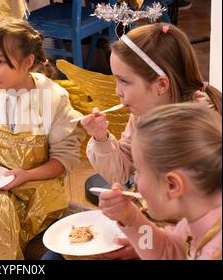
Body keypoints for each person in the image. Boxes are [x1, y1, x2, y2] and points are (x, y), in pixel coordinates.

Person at [0, 17, 85, 259]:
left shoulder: (53, 98)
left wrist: (26, 175)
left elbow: (64, 159)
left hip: (37, 190)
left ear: (28, 61)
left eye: (0, 61)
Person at [82, 23, 221, 186]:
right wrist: (101, 138)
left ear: (161, 85)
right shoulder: (142, 115)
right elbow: (120, 174)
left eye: (124, 81)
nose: (117, 91)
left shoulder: (202, 129)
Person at [100, 103, 221, 260]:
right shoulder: (197, 218)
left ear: (172, 185)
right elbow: (168, 251)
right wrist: (131, 218)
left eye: (139, 171)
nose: (135, 179)